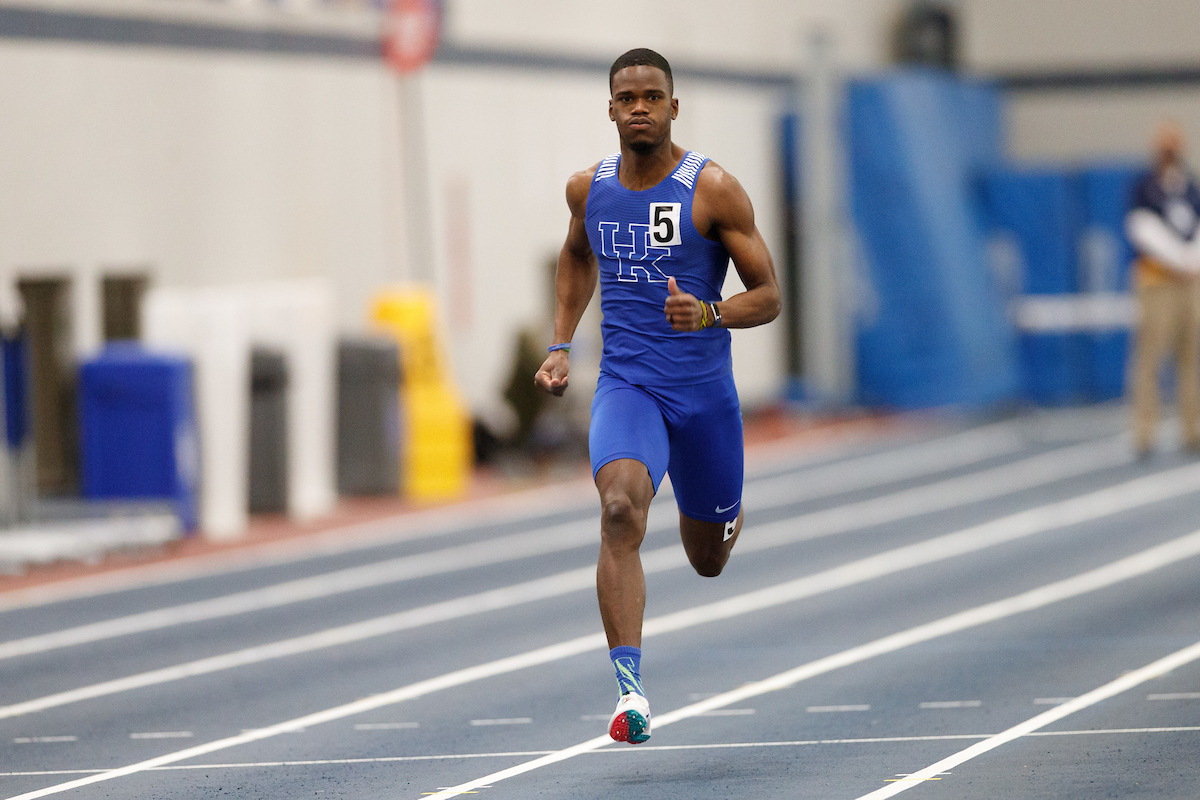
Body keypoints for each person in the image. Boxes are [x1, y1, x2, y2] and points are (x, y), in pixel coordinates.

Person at [534, 48, 781, 745]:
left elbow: (769, 296)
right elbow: (577, 254)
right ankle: (630, 691)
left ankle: (721, 511)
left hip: (704, 398)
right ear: (610, 109)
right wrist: (560, 343)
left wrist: (708, 313)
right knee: (618, 511)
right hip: (629, 386)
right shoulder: (589, 189)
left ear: (674, 107)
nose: (639, 107)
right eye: (626, 97)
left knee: (707, 559)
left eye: (652, 96)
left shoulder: (714, 190)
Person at [1126, 121, 1200, 456]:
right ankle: (1145, 432)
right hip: (1157, 282)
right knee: (1150, 358)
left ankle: (1193, 429)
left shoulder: (1189, 188)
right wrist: (1180, 259)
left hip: (1189, 283)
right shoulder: (1145, 187)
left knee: (1191, 357)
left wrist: (1192, 259)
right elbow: (1142, 229)